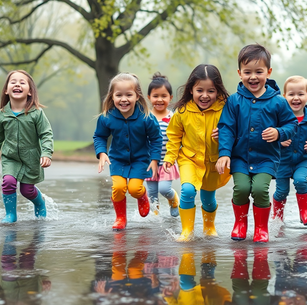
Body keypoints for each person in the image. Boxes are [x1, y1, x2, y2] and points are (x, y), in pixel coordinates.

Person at [216, 44, 297, 243]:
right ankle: (240, 224)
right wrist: (224, 153)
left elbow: (291, 124)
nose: (253, 77)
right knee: (242, 188)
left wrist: (279, 132)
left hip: (266, 158)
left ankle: (261, 228)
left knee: (260, 189)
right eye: (247, 72)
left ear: (268, 72)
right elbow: (226, 127)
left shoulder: (278, 101)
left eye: (259, 72)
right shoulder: (234, 101)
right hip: (240, 158)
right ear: (239, 73)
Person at [163, 64, 231, 242]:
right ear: (191, 89)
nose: (205, 95)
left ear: (218, 91)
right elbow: (174, 136)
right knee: (187, 190)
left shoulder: (225, 109)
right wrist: (170, 157)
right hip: (189, 159)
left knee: (208, 197)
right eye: (199, 90)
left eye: (211, 91)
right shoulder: (183, 111)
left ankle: (209, 227)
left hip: (213, 161)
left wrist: (224, 133)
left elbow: (235, 130)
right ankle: (187, 231)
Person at [94, 73, 163, 230]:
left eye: (128, 95)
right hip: (117, 160)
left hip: (140, 160)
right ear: (112, 97)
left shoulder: (146, 117)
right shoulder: (107, 117)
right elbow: (99, 136)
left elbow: (156, 138)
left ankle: (142, 196)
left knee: (134, 189)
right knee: (118, 188)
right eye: (119, 95)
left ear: (137, 96)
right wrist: (102, 152)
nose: (123, 99)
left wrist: (154, 159)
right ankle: (120, 218)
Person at [0, 70, 53, 223]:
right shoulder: (1, 114)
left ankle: (39, 202)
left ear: (30, 91)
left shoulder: (36, 113)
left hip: (31, 159)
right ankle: (10, 215)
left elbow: (46, 134)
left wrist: (46, 153)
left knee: (26, 191)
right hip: (11, 158)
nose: (17, 84)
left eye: (22, 82)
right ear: (6, 89)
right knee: (8, 181)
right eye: (13, 82)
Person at [272, 76, 307, 226]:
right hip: (282, 161)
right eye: (291, 94)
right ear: (284, 97)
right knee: (282, 191)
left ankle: (305, 212)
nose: (296, 98)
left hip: (302, 159)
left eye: (300, 94)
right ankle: (277, 216)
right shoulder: (280, 117)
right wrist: (279, 139)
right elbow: (269, 134)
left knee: (301, 181)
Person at [145, 72, 180, 217]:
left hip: (167, 161)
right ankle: (155, 216)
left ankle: (174, 200)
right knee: (152, 193)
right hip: (149, 161)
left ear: (170, 98)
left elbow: (179, 136)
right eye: (155, 96)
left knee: (164, 189)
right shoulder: (145, 117)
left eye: (163, 96)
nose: (159, 100)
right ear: (149, 98)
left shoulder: (173, 117)